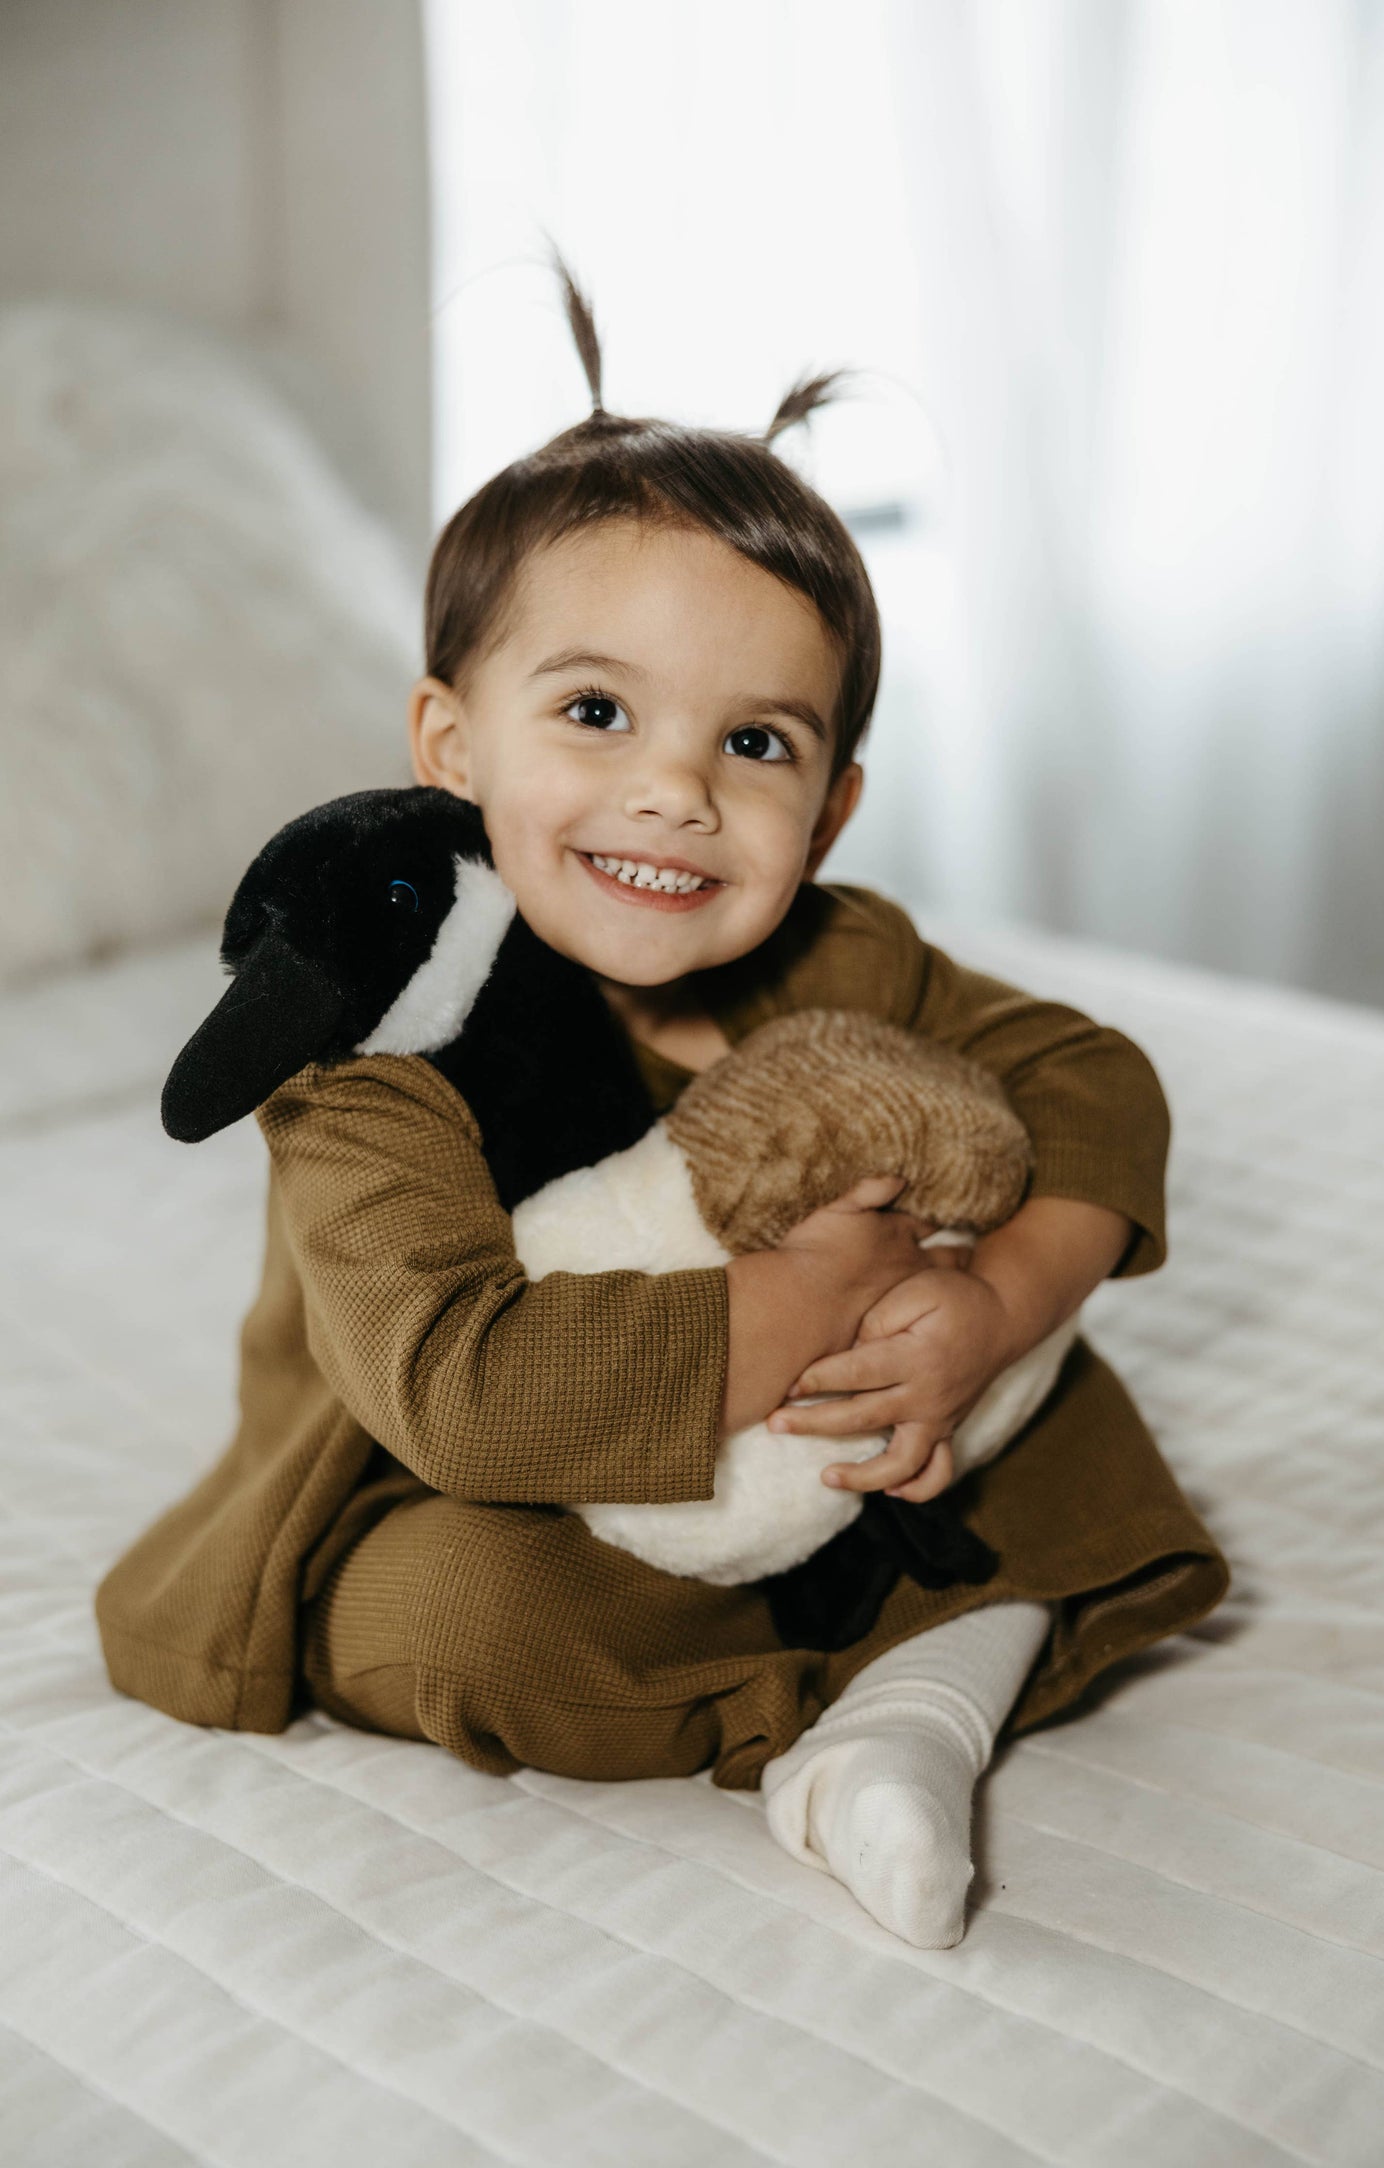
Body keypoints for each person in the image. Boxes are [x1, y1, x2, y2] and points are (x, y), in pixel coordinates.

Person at [95, 253, 1227, 1950]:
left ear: (831, 812)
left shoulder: (840, 957)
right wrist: (818, 1293)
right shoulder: (377, 1055)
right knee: (453, 1622)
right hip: (467, 1483)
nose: (673, 792)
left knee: (1067, 1423)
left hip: (833, 1461)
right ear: (451, 740)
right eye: (596, 710)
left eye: (754, 745)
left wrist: (997, 1300)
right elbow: (456, 1397)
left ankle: (908, 1713)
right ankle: (867, 1695)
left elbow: (1086, 1074)